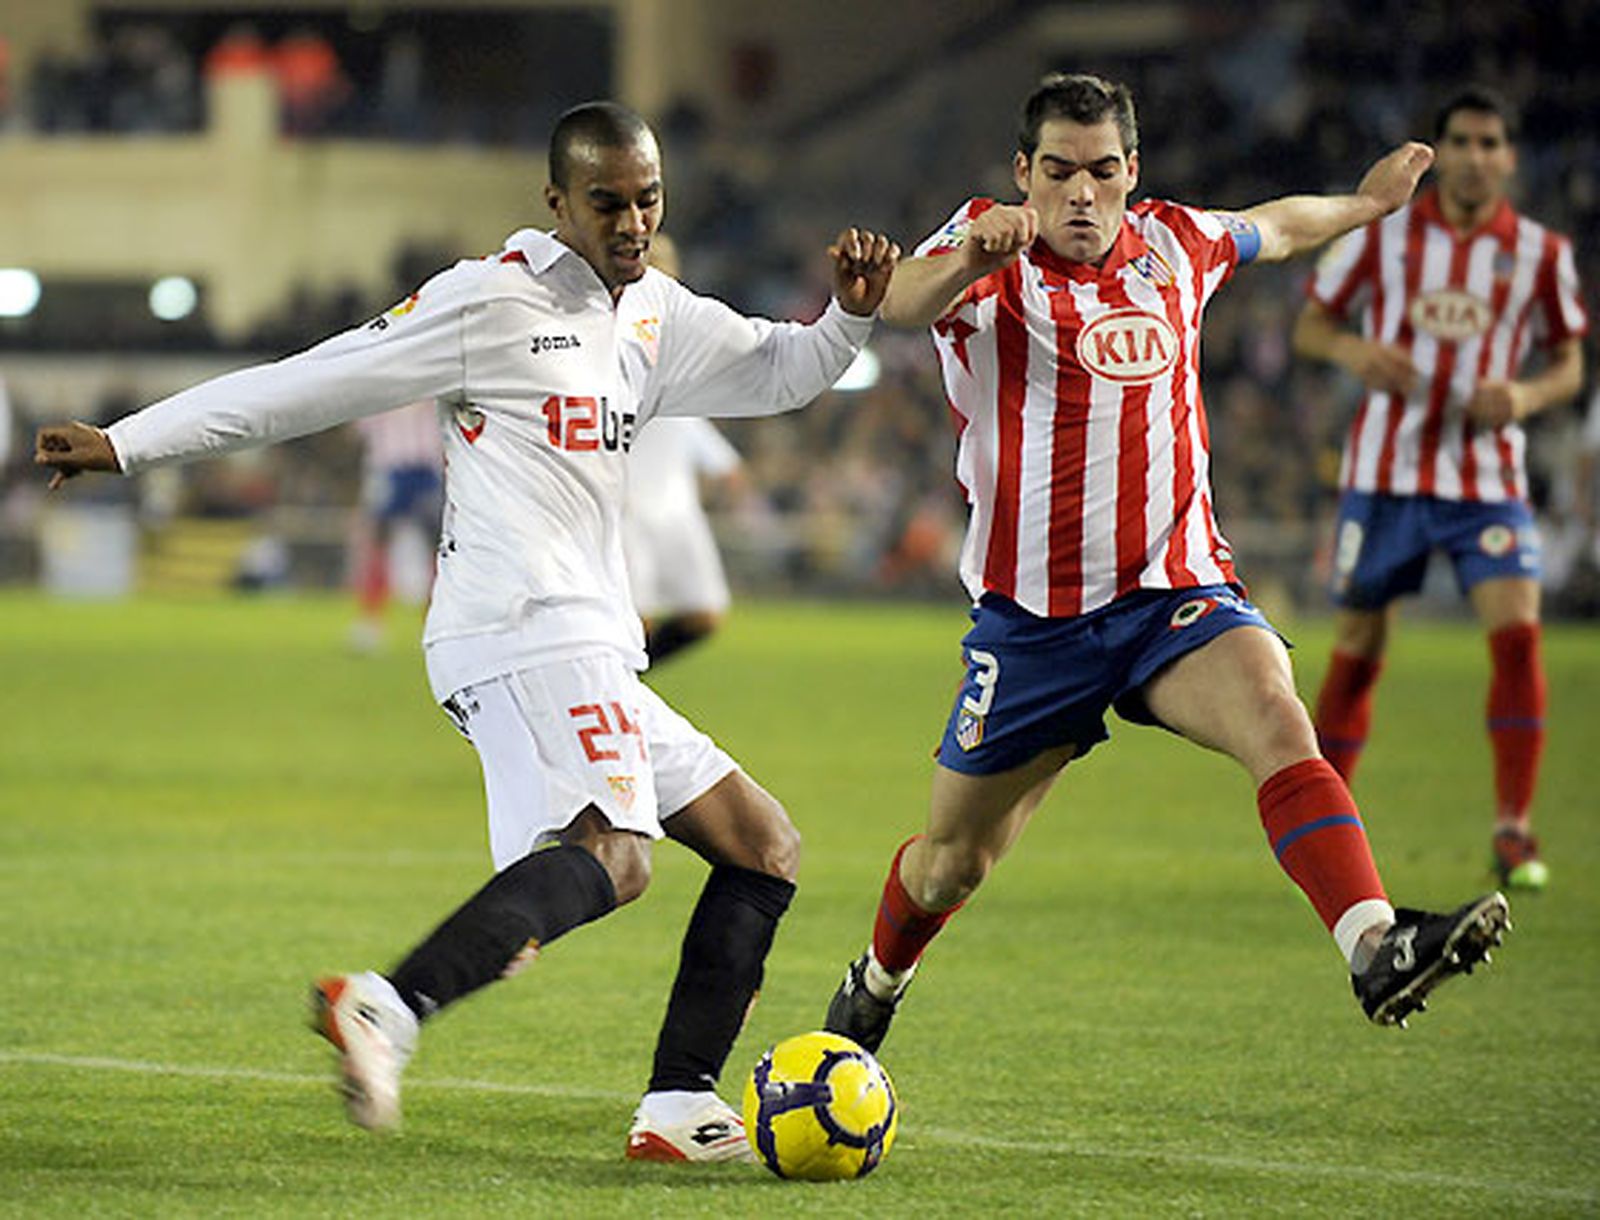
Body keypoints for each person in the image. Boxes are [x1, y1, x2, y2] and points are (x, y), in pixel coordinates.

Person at [35, 100, 898, 1160]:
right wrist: (128, 443)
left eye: (648, 199)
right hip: (519, 623)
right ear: (556, 202)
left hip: (589, 638)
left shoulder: (651, 314)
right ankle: (384, 1007)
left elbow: (785, 367)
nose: (632, 222)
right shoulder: (487, 301)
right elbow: (304, 385)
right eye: (608, 203)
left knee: (763, 844)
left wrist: (850, 318)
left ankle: (678, 1102)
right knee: (618, 855)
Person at [820, 73, 1509, 1060]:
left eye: (1103, 173)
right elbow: (897, 301)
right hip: (1036, 625)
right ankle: (877, 979)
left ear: (1131, 173)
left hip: (1174, 594)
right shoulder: (987, 245)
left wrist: (1363, 205)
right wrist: (976, 250)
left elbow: (1276, 224)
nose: (1082, 196)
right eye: (1058, 173)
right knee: (950, 864)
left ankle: (1375, 942)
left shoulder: (1178, 242)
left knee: (1276, 712)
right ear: (1025, 174)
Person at [1293, 87, 1587, 892]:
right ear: (1442, 151)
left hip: (1485, 480)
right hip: (1383, 478)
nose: (1474, 155)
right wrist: (1356, 354)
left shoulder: (1540, 254)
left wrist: (1523, 398)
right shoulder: (1380, 238)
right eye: (1460, 140)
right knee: (1358, 651)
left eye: (1490, 143)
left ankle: (1514, 830)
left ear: (1509, 158)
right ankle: (1328, 829)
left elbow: (1569, 363)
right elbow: (1312, 325)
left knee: (1518, 637)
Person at [621, 235, 746, 664]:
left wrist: (721, 460)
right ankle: (614, 696)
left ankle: (627, 685)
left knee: (705, 613)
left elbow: (680, 412)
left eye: (663, 263)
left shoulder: (681, 336)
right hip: (624, 506)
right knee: (633, 621)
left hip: (676, 509)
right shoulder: (605, 331)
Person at [349, 398, 444, 652]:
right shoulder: (382, 393)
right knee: (379, 545)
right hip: (390, 470)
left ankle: (434, 624)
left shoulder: (434, 394)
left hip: (426, 471)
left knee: (438, 550)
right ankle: (371, 621)